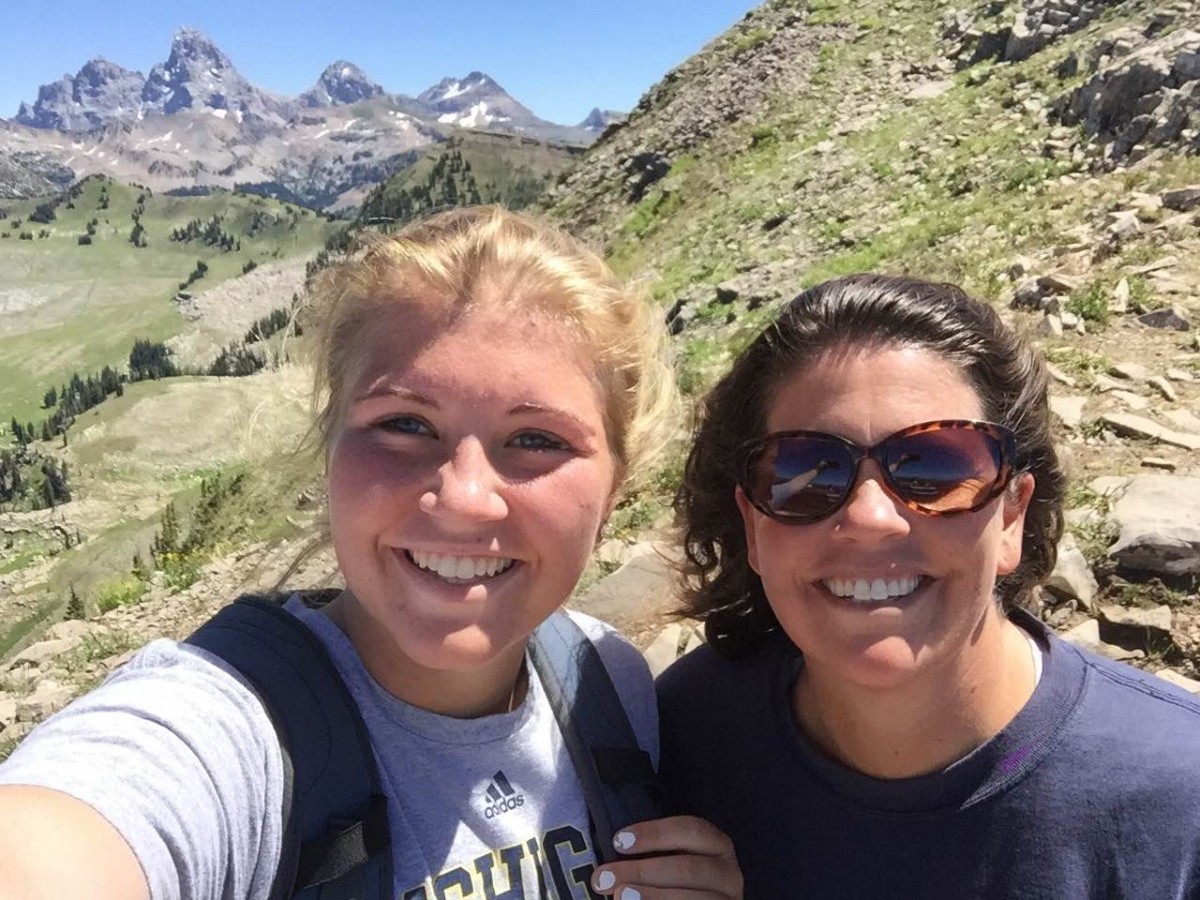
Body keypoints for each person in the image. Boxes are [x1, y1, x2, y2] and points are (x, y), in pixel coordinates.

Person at [0, 206, 741, 900]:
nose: (463, 497)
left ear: (617, 484)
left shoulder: (607, 684)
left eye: (537, 439)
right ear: (329, 450)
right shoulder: (227, 733)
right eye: (405, 424)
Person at [658, 273, 1200, 899]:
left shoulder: (1179, 796)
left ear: (1011, 517)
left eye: (936, 465)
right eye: (805, 472)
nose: (870, 517)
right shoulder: (683, 735)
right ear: (752, 525)